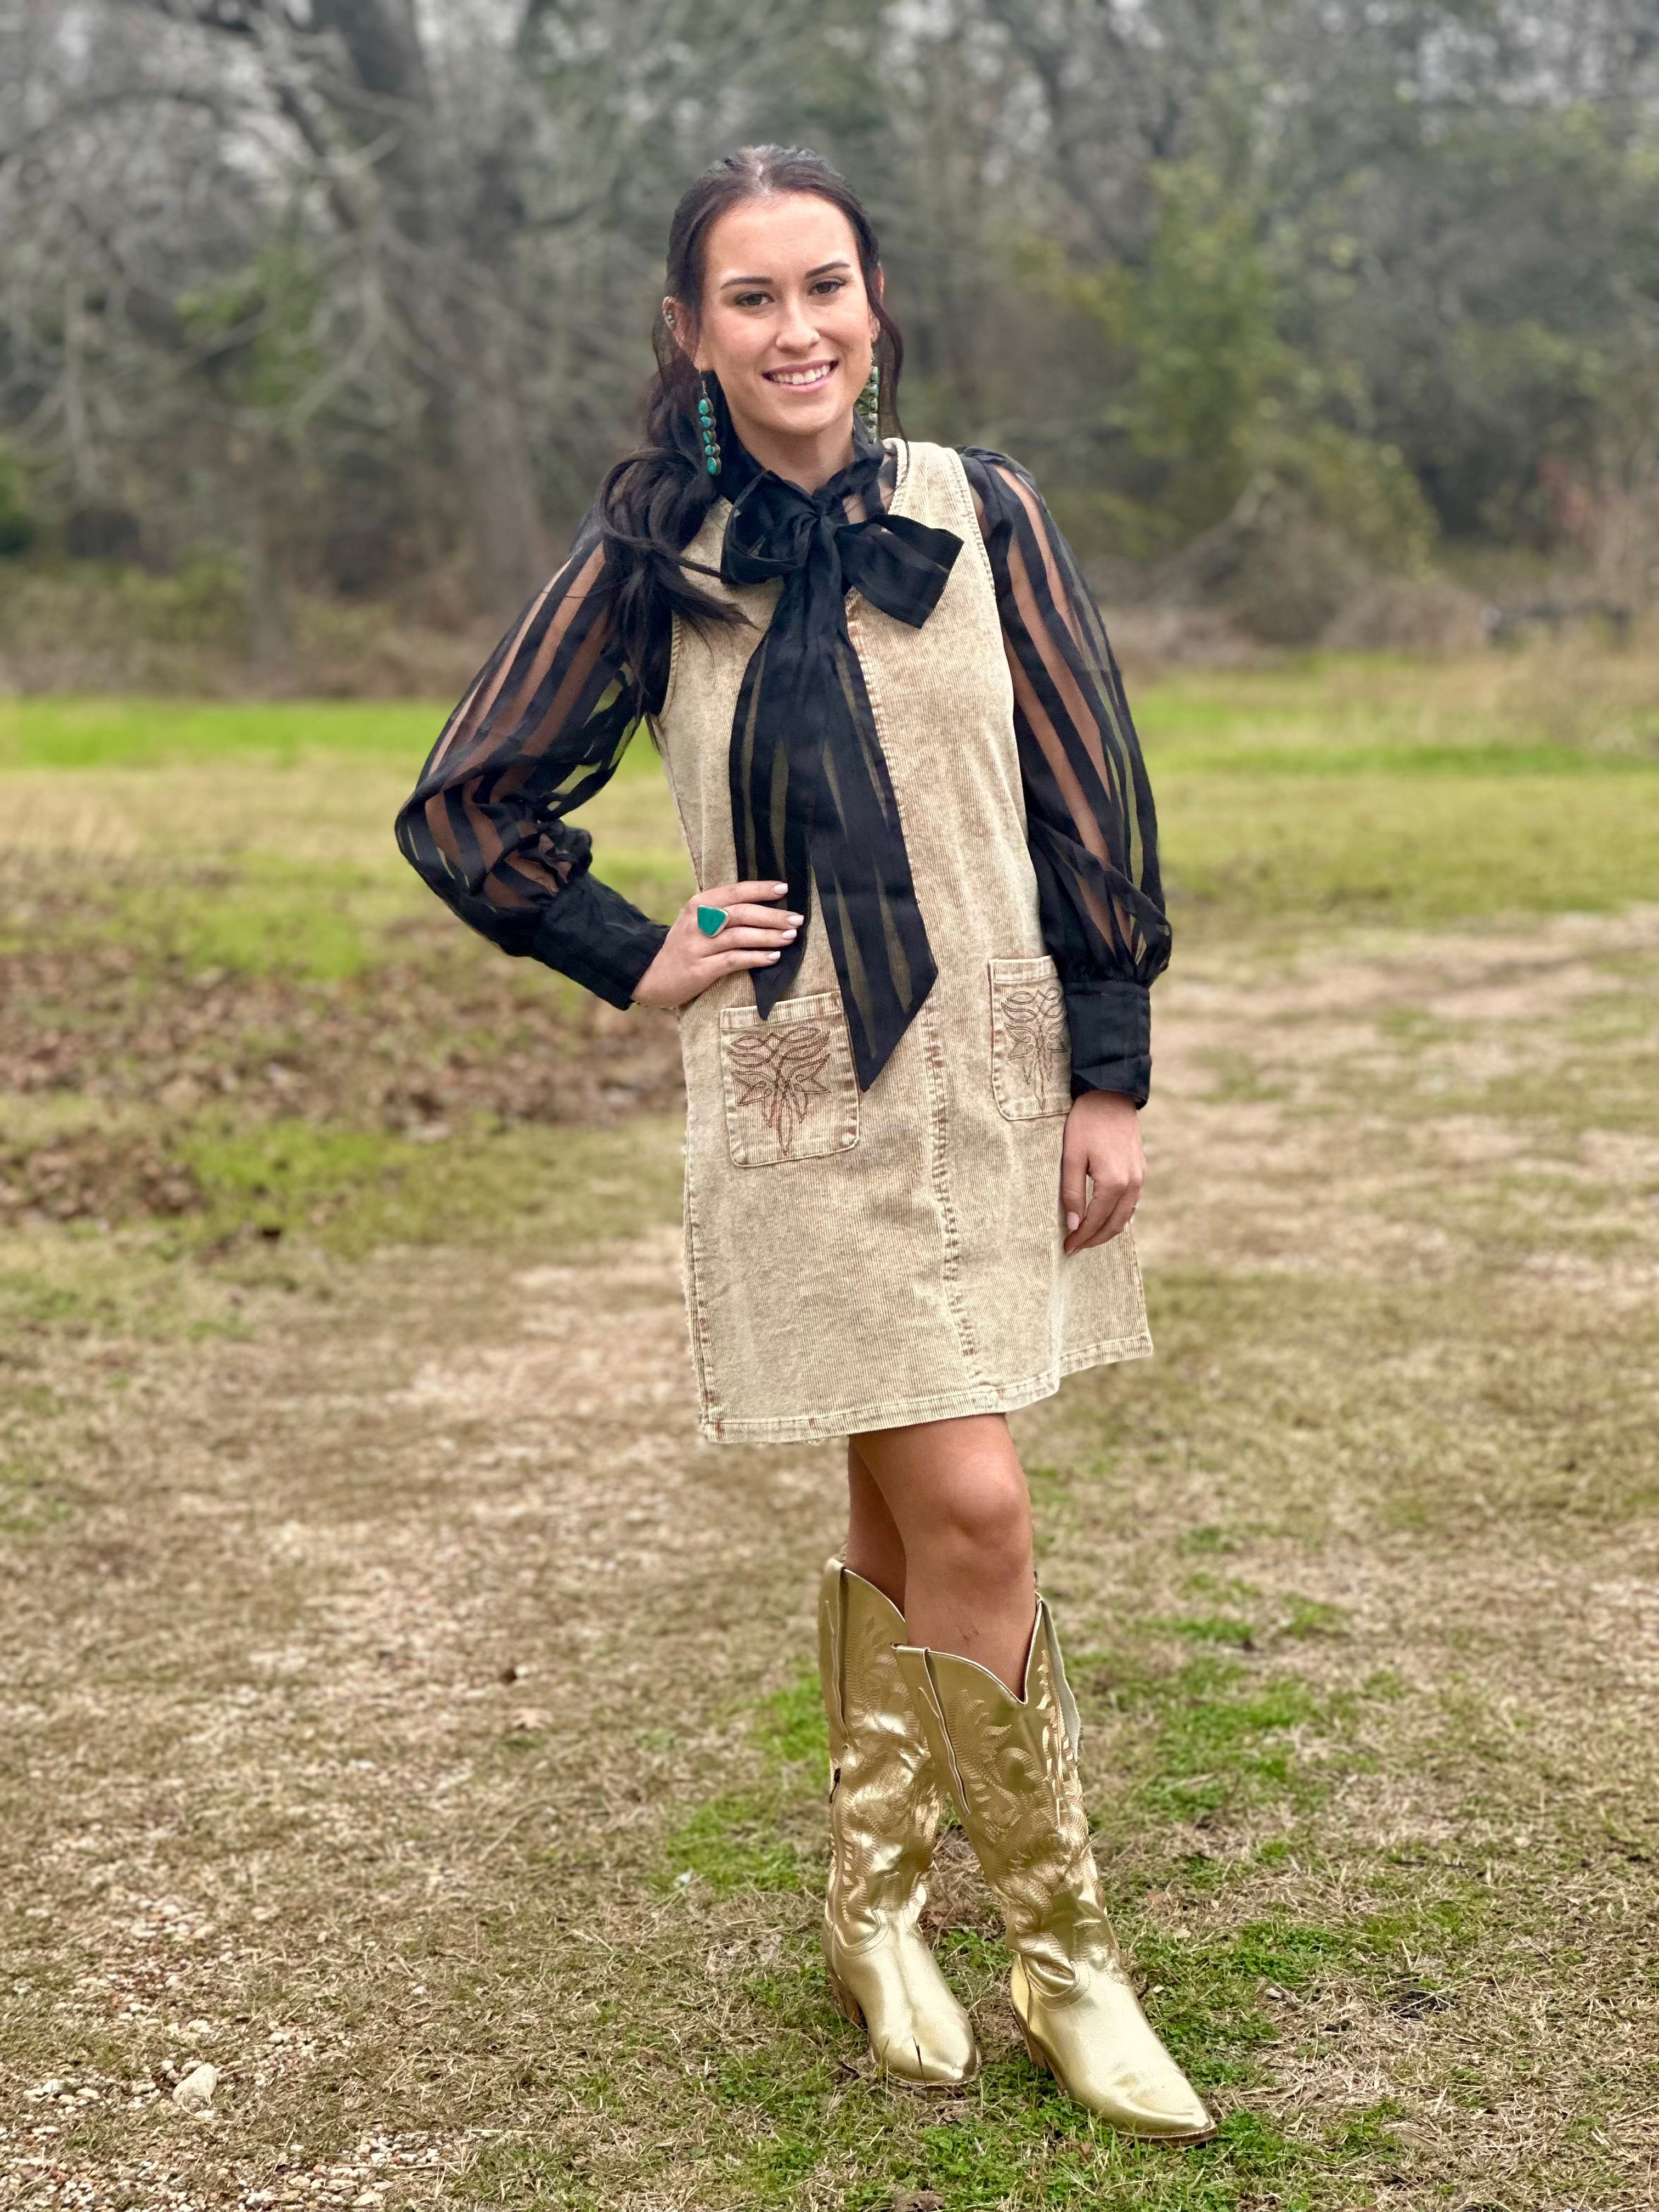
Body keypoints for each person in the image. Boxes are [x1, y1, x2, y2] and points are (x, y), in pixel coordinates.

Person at [396, 143, 1210, 2140]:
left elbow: (1092, 792)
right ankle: (1067, 1956)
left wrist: (1108, 1072)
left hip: (994, 1078)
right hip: (799, 1103)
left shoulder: (984, 513)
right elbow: (469, 803)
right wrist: (630, 947)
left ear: (877, 304)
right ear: (690, 332)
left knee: (902, 1511)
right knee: (982, 1511)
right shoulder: (648, 556)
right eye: (749, 298)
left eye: (824, 287)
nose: (797, 331)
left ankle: (872, 1908)